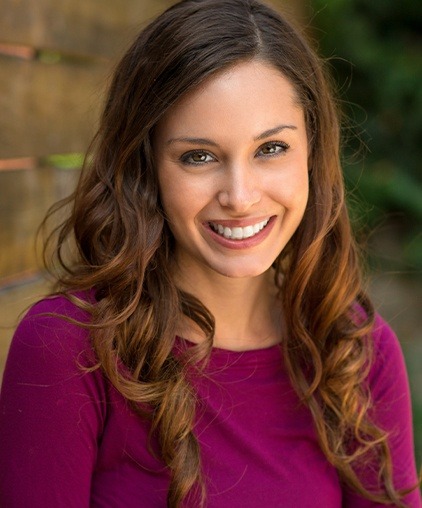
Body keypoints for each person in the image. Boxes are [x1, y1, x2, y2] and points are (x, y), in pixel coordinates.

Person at [0, 0, 420, 506]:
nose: (240, 196)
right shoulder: (68, 351)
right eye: (198, 157)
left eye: (270, 149)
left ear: (311, 151)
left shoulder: (355, 352)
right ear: (146, 166)